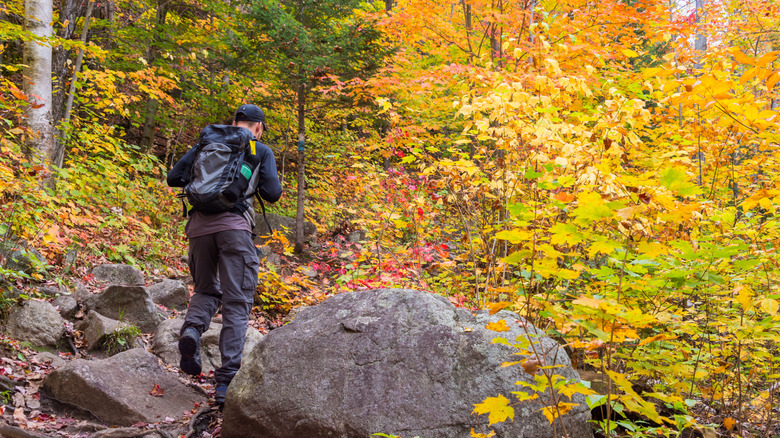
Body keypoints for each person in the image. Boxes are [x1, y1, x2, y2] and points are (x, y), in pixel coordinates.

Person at [166, 104, 282, 406]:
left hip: (198, 229)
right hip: (235, 230)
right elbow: (272, 193)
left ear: (234, 122)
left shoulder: (207, 143)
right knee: (237, 302)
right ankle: (226, 379)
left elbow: (174, 177)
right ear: (259, 127)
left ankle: (192, 330)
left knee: (206, 290)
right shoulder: (259, 149)